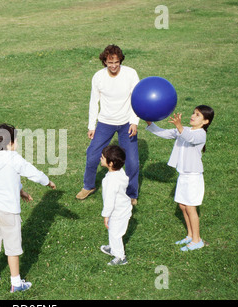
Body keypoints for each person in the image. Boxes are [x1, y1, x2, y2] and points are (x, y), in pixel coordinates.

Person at [0, 123, 56, 293]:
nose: (17, 144)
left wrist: (21, 190)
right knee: (12, 248)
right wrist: (47, 181)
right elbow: (32, 172)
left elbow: (6, 178)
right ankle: (16, 283)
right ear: (9, 144)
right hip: (9, 211)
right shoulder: (14, 159)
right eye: (16, 141)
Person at [76, 45, 140, 205]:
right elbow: (93, 102)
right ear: (104, 61)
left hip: (126, 123)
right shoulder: (98, 77)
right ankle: (88, 186)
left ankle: (132, 193)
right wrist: (91, 126)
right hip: (105, 122)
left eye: (116, 62)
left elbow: (137, 99)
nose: (113, 66)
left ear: (120, 61)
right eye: (110, 62)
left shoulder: (130, 74)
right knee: (92, 155)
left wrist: (134, 121)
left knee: (131, 160)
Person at [145, 105, 214, 251]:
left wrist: (179, 126)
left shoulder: (201, 134)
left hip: (193, 177)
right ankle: (190, 235)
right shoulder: (185, 130)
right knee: (183, 206)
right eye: (193, 113)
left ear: (206, 121)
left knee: (190, 207)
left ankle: (197, 240)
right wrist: (150, 124)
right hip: (183, 175)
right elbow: (164, 133)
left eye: (198, 115)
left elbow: (190, 138)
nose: (193, 116)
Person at [99, 145, 132, 266]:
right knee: (114, 231)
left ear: (111, 163)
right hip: (123, 209)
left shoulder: (111, 181)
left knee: (115, 233)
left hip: (118, 212)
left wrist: (106, 215)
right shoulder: (120, 173)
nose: (100, 159)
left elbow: (109, 201)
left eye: (103, 157)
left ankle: (120, 257)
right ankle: (113, 247)